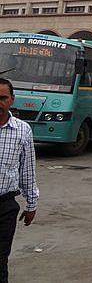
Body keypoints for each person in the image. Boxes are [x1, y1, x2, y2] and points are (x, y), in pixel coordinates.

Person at [0, 78, 39, 282]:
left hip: (5, 206)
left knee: (0, 260)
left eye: (3, 98)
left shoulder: (22, 130)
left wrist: (32, 204)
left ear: (12, 100)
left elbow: (27, 170)